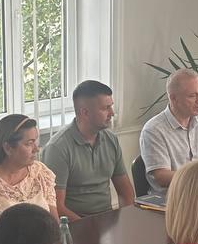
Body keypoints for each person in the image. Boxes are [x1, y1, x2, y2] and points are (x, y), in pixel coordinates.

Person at [41, 80, 135, 219]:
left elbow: (125, 193)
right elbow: (56, 206)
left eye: (111, 106)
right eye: (105, 108)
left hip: (107, 219)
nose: (112, 113)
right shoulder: (57, 148)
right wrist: (89, 227)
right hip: (75, 224)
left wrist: (125, 219)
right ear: (85, 112)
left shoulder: (111, 139)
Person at [0, 114, 58, 244]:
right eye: (29, 143)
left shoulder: (40, 172)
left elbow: (54, 224)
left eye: (35, 142)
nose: (36, 149)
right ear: (8, 148)